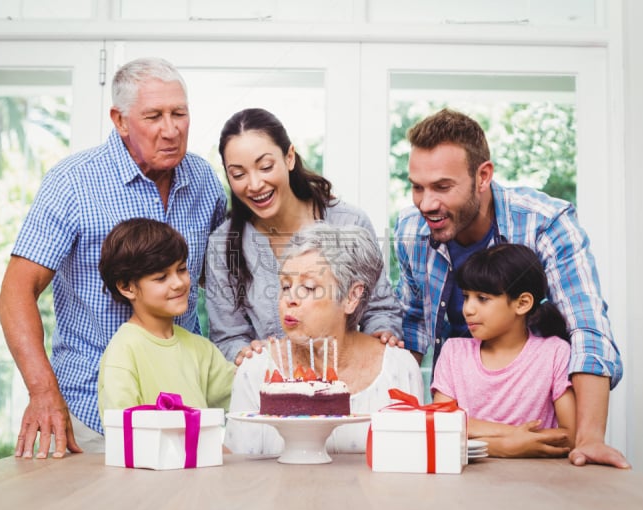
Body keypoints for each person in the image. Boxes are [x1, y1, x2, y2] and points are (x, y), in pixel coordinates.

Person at [0, 57, 227, 458]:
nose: (170, 130)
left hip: (187, 412)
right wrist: (42, 391)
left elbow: (220, 282)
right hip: (93, 413)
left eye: (179, 114)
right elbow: (15, 293)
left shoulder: (203, 180)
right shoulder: (73, 182)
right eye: (154, 116)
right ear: (120, 120)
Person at [394, 108, 629, 468]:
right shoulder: (411, 231)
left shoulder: (546, 222)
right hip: (462, 436)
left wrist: (589, 438)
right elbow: (411, 331)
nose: (426, 203)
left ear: (483, 176)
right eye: (417, 187)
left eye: (442, 187)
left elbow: (588, 327)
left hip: (531, 422)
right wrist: (406, 425)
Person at [205, 107, 403, 365]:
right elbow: (228, 339)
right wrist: (246, 355)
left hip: (348, 386)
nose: (254, 185)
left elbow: (380, 309)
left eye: (265, 167)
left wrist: (381, 334)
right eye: (239, 174)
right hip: (270, 389)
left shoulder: (348, 223)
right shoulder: (223, 245)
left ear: (289, 157)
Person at [224, 223, 423, 454]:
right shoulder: (256, 371)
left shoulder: (398, 369)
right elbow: (240, 474)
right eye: (286, 285)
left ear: (351, 296)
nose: (290, 299)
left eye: (308, 288)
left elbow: (414, 464)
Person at [431, 243, 575, 457]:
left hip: (542, 483)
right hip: (467, 483)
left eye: (482, 298)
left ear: (522, 303)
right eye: (466, 296)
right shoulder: (453, 352)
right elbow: (442, 427)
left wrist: (471, 430)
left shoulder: (555, 353)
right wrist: (507, 443)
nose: (468, 309)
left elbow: (569, 438)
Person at [96, 218, 234, 420]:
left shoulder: (201, 348)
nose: (178, 283)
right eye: (161, 277)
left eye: (181, 269)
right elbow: (122, 432)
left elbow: (244, 396)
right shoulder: (124, 351)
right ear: (127, 287)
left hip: (205, 453)